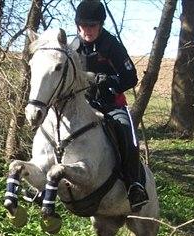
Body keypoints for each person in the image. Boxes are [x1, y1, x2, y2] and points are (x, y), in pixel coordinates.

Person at [71, 0, 148, 212]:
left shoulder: (112, 45)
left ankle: (135, 184)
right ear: (77, 25)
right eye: (83, 25)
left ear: (101, 25)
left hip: (110, 104)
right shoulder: (72, 48)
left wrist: (110, 81)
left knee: (126, 131)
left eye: (92, 26)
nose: (87, 30)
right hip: (82, 105)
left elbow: (131, 77)